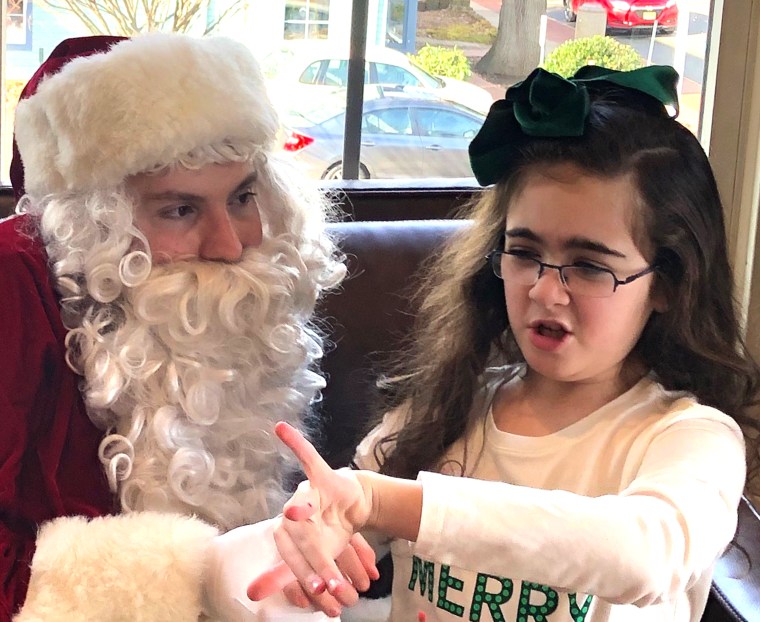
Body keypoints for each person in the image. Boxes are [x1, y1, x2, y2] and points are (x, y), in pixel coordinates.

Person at [247, 64, 760, 621]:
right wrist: (314, 541)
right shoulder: (447, 409)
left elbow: (643, 557)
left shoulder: (693, 440)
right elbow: (342, 528)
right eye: (524, 252)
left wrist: (387, 501)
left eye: (588, 266)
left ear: (667, 281)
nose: (544, 289)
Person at [0, 32, 378, 622]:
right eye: (180, 209)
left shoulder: (248, 310)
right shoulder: (14, 291)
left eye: (244, 197)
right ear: (93, 225)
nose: (229, 246)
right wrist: (203, 572)